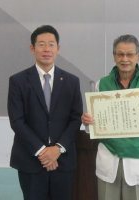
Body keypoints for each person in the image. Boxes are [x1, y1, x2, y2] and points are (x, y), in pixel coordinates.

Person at [81, 34, 139, 200]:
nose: (125, 59)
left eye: (130, 54)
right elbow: (92, 125)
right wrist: (87, 122)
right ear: (114, 56)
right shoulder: (102, 84)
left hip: (138, 159)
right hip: (108, 159)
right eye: (120, 54)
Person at [8, 25, 83, 200]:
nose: (47, 49)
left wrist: (58, 149)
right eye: (41, 44)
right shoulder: (18, 81)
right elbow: (17, 121)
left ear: (58, 49)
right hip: (30, 160)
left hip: (62, 160)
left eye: (51, 44)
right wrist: (43, 152)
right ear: (32, 48)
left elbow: (75, 119)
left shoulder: (72, 81)